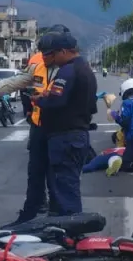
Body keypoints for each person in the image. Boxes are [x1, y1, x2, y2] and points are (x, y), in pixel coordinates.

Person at [0, 29, 73, 223]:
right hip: (39, 128)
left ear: (57, 52)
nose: (45, 58)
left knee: (56, 176)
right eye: (42, 54)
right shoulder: (37, 67)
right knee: (35, 172)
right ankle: (30, 213)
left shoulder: (67, 70)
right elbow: (14, 82)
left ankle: (58, 217)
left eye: (48, 54)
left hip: (60, 130)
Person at [32, 33, 97, 216]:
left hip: (65, 138)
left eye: (53, 54)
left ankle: (71, 232)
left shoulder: (67, 70)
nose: (51, 59)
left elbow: (56, 102)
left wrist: (40, 100)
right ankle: (65, 228)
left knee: (65, 190)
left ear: (63, 51)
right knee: (67, 186)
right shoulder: (85, 69)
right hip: (78, 135)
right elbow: (89, 105)